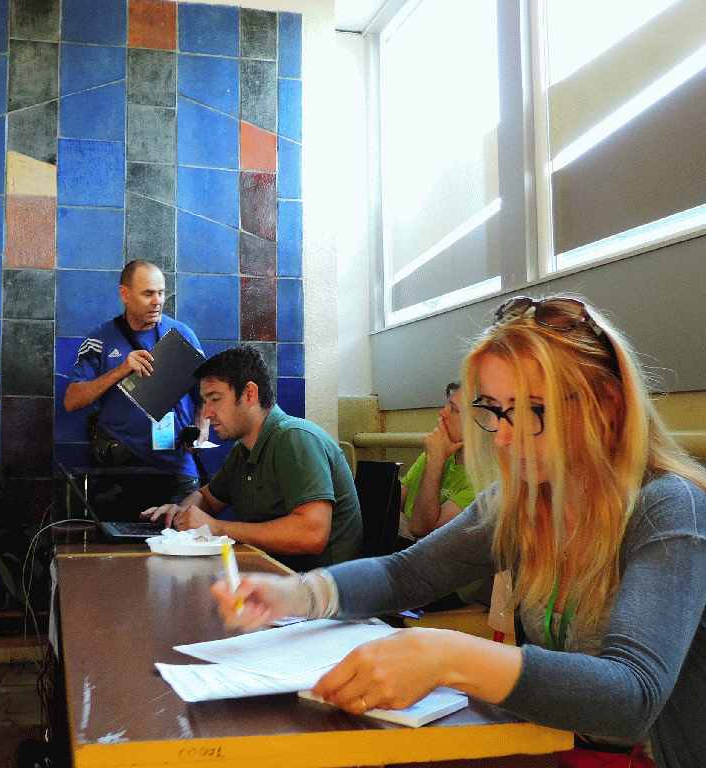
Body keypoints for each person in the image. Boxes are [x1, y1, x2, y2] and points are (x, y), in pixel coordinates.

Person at [211, 296, 706, 768]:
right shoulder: (522, 502)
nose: (504, 437)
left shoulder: (668, 508)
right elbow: (405, 574)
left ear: (608, 404)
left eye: (532, 410)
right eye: (494, 409)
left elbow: (632, 696)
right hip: (552, 745)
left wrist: (448, 656)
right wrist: (295, 594)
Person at [144, 346, 363, 571]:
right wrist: (181, 513)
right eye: (205, 401)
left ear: (249, 393)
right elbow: (207, 498)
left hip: (318, 586)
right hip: (274, 578)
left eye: (215, 399)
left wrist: (217, 527)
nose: (207, 413)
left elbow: (312, 534)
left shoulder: (295, 438)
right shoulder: (243, 451)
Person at [63, 260, 206, 503]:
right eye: (148, 294)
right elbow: (71, 401)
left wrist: (201, 431)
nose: (157, 301)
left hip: (177, 469)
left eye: (161, 293)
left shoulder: (182, 336)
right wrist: (121, 370)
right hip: (120, 468)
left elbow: (206, 397)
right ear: (125, 294)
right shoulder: (100, 339)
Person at [400, 382, 474, 539]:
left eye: (453, 409)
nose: (442, 413)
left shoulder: (484, 482)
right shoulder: (437, 452)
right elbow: (392, 503)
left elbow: (421, 529)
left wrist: (435, 461)